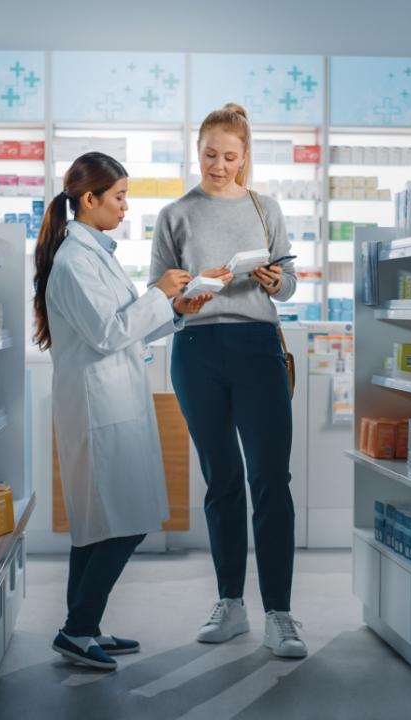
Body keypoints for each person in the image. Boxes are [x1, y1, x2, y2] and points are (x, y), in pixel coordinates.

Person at [34, 152, 213, 670]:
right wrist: (159, 292)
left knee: (97, 522)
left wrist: (174, 311)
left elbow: (123, 325)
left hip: (114, 399)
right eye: (118, 197)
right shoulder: (73, 261)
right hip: (97, 407)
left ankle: (82, 628)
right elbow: (108, 332)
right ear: (88, 200)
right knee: (123, 521)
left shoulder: (95, 253)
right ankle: (78, 628)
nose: (125, 207)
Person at [149, 103, 306, 659]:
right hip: (196, 350)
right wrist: (184, 297)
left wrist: (273, 278)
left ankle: (281, 614)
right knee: (221, 479)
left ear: (245, 157)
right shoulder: (175, 215)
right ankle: (231, 605)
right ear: (198, 151)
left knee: (270, 480)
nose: (219, 165)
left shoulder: (267, 209)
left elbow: (288, 283)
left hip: (258, 347)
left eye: (230, 156)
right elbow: (160, 295)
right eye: (210, 154)